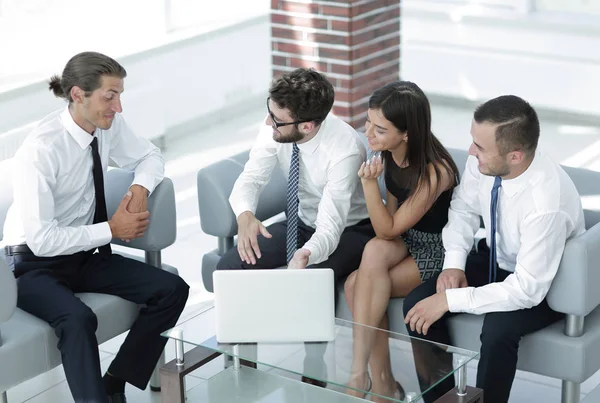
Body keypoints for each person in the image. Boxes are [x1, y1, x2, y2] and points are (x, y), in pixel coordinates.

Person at [2, 51, 190, 403]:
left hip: (84, 253)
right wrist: (112, 229)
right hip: (31, 264)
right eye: (110, 96)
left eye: (119, 95)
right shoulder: (40, 151)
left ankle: (115, 379)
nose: (118, 107)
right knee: (77, 319)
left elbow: (150, 155)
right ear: (78, 95)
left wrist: (140, 188)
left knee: (172, 289)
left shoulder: (106, 125)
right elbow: (42, 241)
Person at [403, 95, 585, 403]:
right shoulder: (486, 163)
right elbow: (462, 209)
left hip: (545, 280)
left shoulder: (545, 204)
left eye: (480, 147)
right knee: (418, 305)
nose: (471, 151)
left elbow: (526, 289)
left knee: (498, 330)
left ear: (515, 156)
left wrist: (452, 299)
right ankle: (442, 399)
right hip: (496, 257)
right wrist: (454, 264)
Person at [342, 81, 458, 402]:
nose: (368, 134)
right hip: (405, 239)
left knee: (356, 285)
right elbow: (388, 231)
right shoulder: (391, 154)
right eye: (368, 123)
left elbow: (388, 228)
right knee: (374, 251)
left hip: (437, 249)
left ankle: (377, 383)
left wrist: (368, 185)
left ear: (406, 133)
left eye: (379, 130)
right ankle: (374, 380)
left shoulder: (436, 171)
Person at [216, 67, 373, 288]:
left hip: (350, 229)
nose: (269, 124)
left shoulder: (344, 152)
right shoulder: (276, 124)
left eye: (277, 120)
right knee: (229, 267)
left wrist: (306, 254)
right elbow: (251, 177)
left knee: (307, 283)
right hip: (301, 222)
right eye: (269, 113)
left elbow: (329, 227)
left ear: (307, 126)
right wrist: (245, 216)